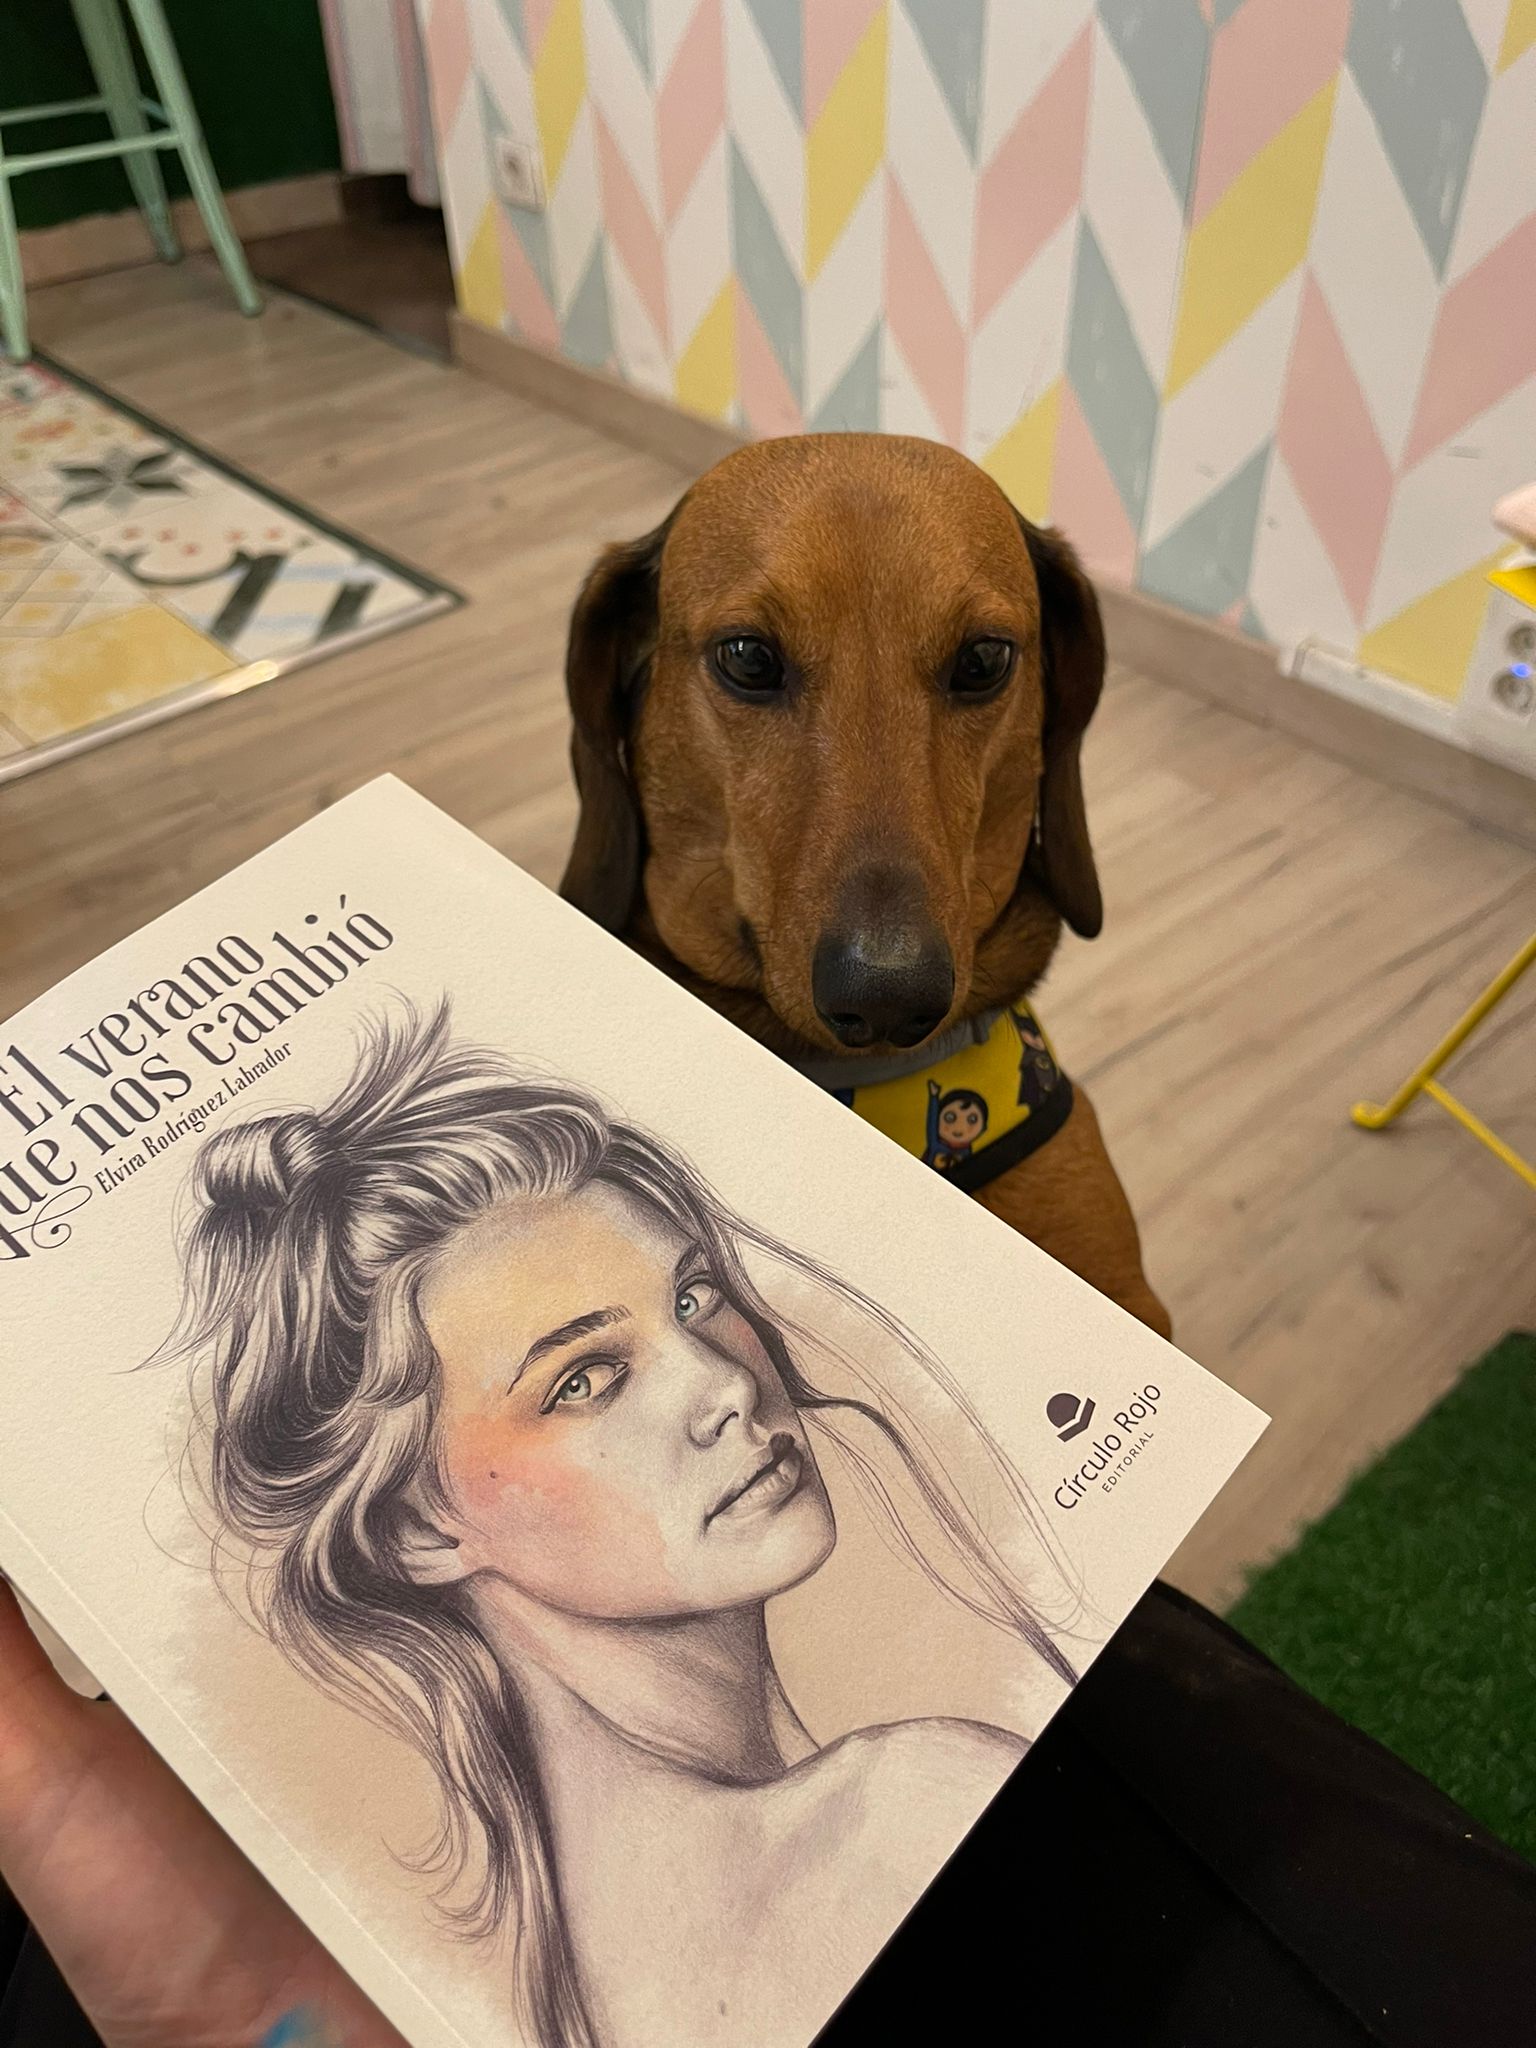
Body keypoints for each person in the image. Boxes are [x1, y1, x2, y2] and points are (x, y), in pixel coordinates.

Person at [4, 1010, 1536, 2045]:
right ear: (414, 1530)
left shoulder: (553, 1965)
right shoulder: (898, 1798)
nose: (728, 1385)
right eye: (584, 1378)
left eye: (695, 1299)